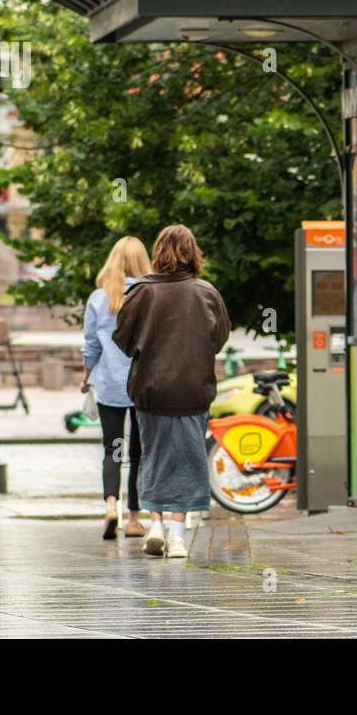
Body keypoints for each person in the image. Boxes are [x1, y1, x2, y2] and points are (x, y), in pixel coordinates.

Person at [113, 225, 230, 559]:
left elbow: (122, 339)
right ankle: (178, 535)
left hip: (151, 389)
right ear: (194, 253)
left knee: (152, 454)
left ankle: (155, 524)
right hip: (194, 389)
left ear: (158, 251)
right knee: (190, 458)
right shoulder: (207, 293)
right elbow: (219, 338)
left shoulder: (141, 292)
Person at [81, 236, 151, 541]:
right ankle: (135, 519)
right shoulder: (149, 295)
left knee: (112, 449)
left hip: (108, 382)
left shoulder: (99, 297)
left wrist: (86, 377)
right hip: (141, 383)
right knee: (138, 452)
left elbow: (91, 345)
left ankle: (111, 507)